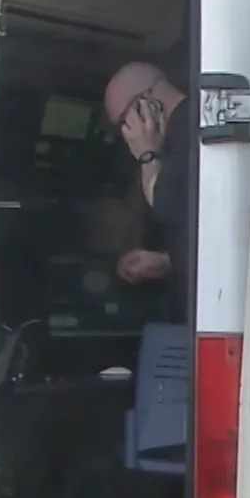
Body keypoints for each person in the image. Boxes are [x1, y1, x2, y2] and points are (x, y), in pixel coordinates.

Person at [102, 60, 196, 315]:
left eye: (125, 121)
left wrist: (146, 155)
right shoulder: (187, 129)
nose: (126, 135)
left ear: (146, 104)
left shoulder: (187, 137)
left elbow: (167, 207)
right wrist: (166, 262)